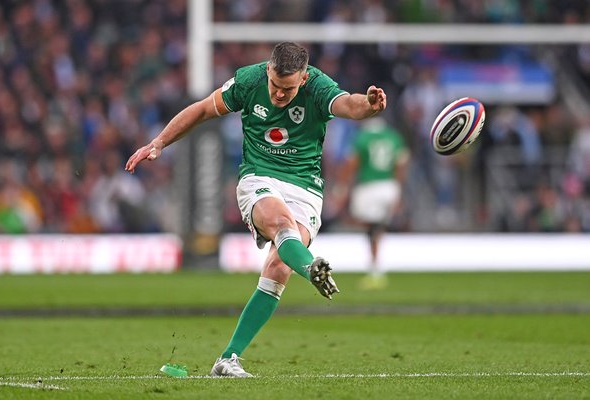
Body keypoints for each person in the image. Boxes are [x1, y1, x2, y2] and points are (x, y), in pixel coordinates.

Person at [125, 42, 386, 377]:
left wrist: (370, 105)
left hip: (305, 189)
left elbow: (350, 104)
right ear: (268, 71)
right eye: (275, 85)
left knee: (278, 267)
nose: (278, 94)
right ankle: (311, 270)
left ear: (304, 79)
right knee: (280, 224)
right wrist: (158, 142)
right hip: (258, 178)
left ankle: (227, 359)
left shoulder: (318, 86)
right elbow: (203, 109)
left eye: (288, 89)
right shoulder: (248, 82)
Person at [337, 117, 409, 289]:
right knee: (377, 226)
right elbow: (402, 163)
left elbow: (352, 162)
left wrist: (342, 187)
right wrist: (398, 188)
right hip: (389, 185)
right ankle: (376, 263)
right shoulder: (394, 136)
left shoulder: (362, 137)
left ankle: (375, 270)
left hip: (369, 186)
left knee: (368, 226)